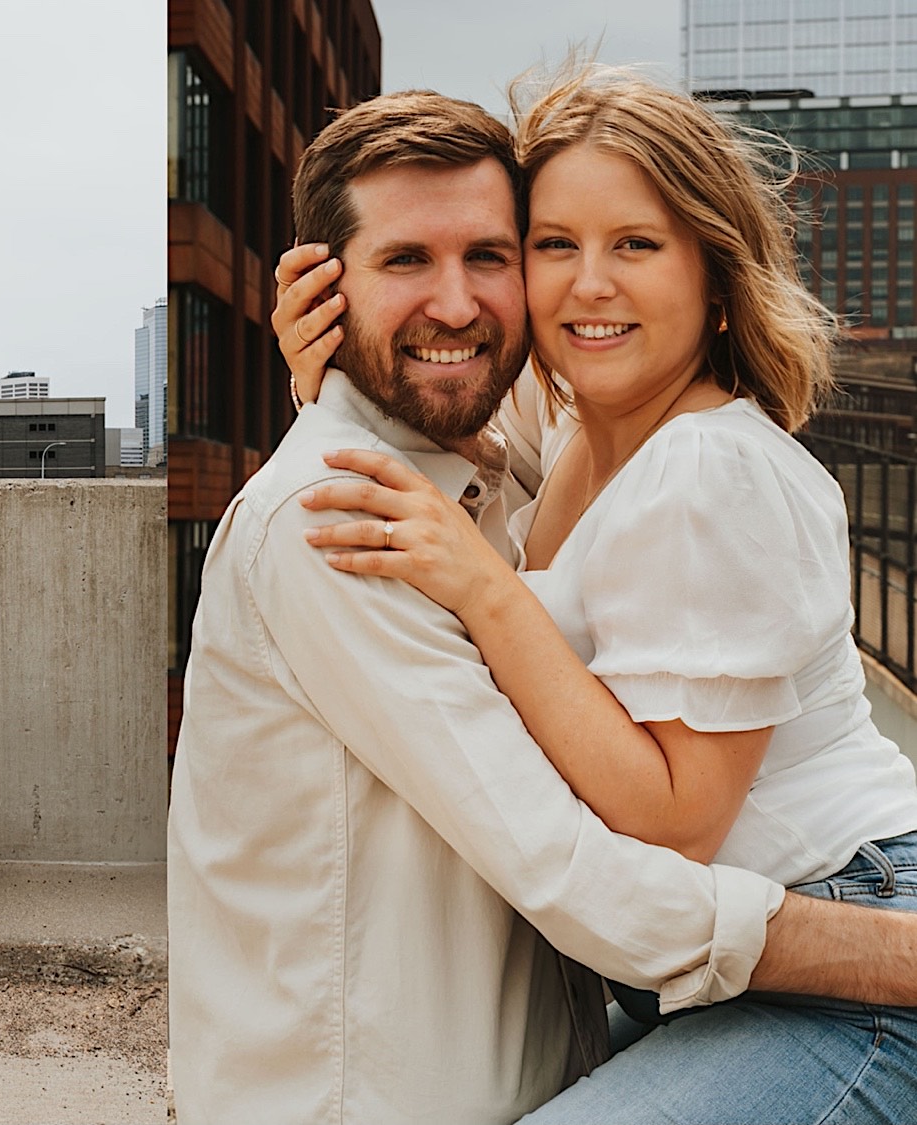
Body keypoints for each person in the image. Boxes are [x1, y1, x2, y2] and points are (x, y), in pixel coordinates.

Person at [168, 86, 917, 1125]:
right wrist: (334, 381)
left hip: (850, 934)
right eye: (554, 243)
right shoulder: (547, 455)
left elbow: (668, 825)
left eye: (489, 255)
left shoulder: (699, 465)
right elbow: (441, 420)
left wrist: (480, 582)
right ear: (326, 288)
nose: (586, 283)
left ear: (714, 275)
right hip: (738, 960)